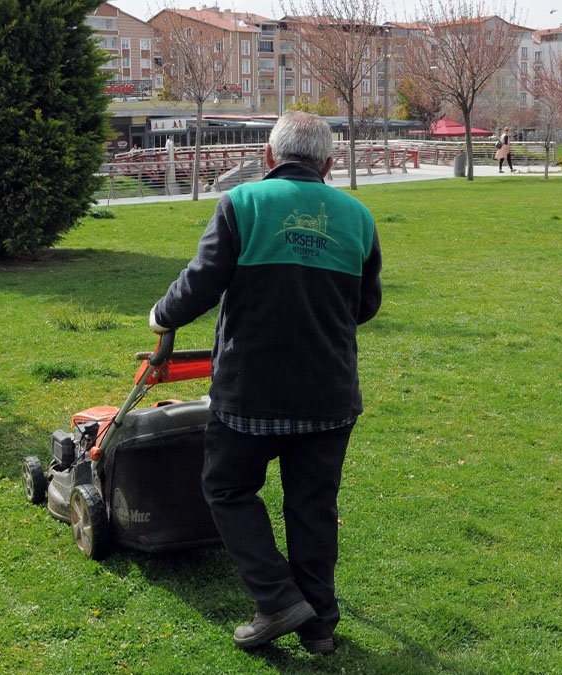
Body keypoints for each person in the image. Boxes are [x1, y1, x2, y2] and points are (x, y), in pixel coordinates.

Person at [148, 112, 382, 654]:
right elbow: (365, 306)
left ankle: (276, 600)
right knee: (313, 505)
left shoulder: (243, 203)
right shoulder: (358, 216)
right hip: (328, 389)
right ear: (328, 163)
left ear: (269, 157)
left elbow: (201, 282)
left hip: (251, 387)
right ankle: (319, 624)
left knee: (228, 489)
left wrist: (161, 317)